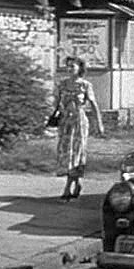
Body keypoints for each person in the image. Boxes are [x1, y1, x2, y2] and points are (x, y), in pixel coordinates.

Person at [55, 57, 104, 200]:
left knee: (76, 153)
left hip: (79, 122)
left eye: (73, 66)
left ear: (80, 68)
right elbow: (57, 103)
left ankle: (67, 188)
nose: (70, 69)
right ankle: (77, 182)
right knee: (66, 154)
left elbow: (94, 105)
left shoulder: (85, 85)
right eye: (68, 66)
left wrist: (99, 123)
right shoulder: (62, 84)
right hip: (65, 123)